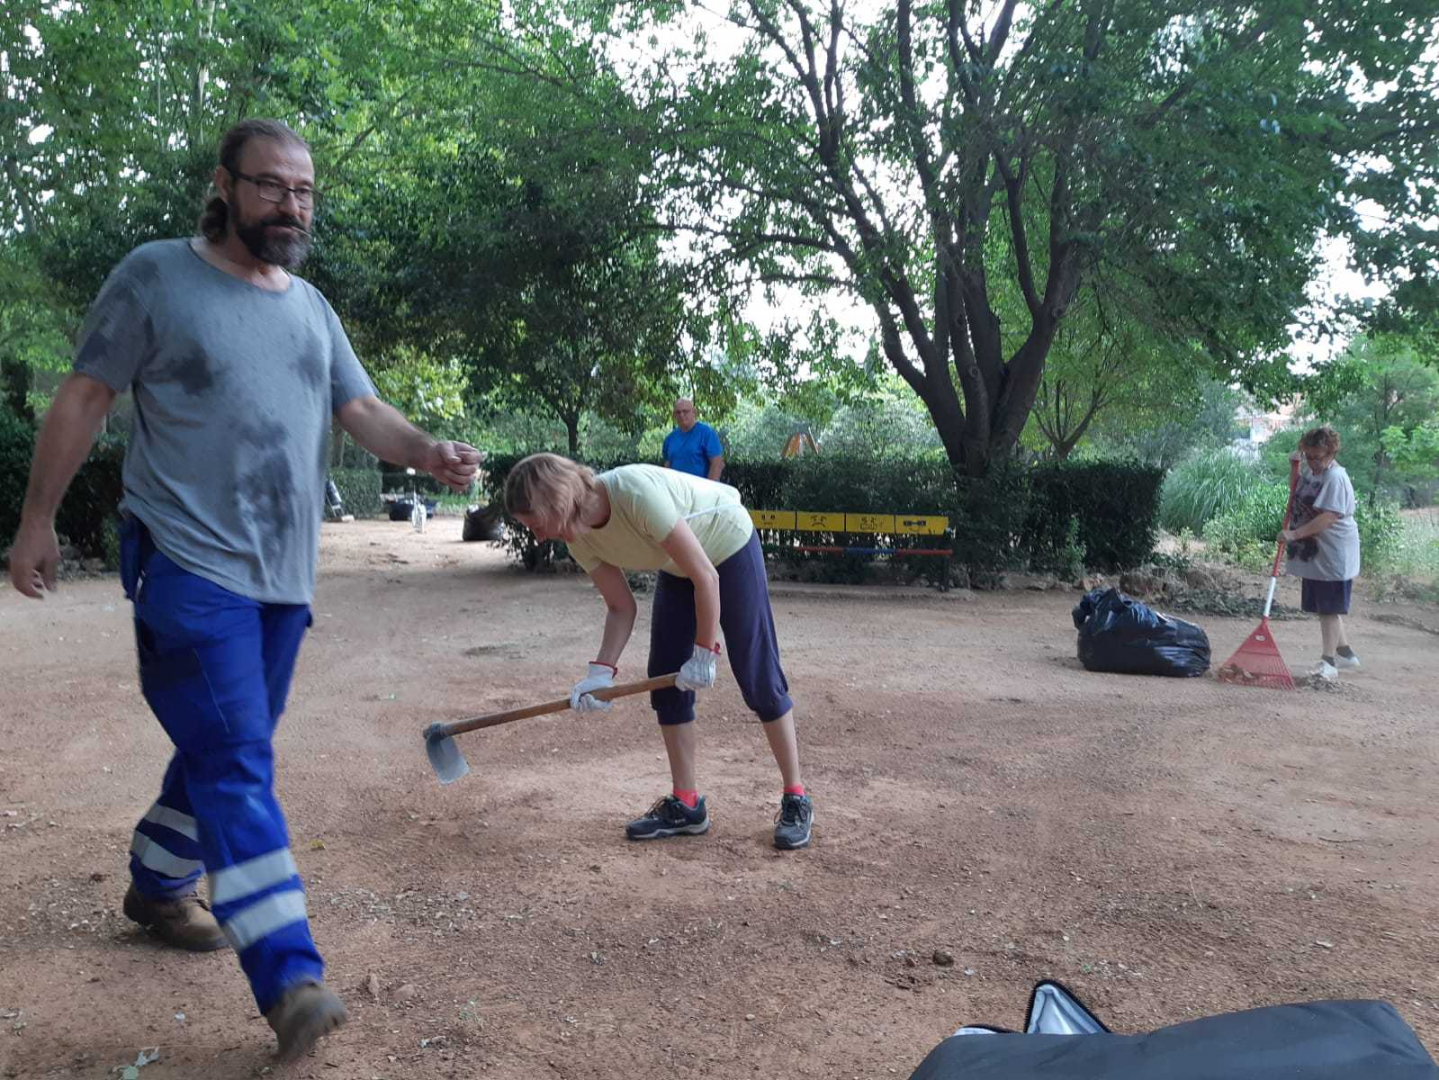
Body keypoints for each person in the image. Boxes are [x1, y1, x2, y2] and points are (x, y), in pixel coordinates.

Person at [5, 118, 482, 1062]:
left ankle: (156, 883)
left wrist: (425, 451)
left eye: (302, 192)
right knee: (235, 756)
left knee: (227, 742)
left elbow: (359, 406)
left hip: (282, 577)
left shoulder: (310, 307)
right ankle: (289, 976)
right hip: (185, 563)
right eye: (270, 186)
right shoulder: (155, 276)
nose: (290, 206)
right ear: (225, 186)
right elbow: (87, 394)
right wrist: (36, 519)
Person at [504, 453, 813, 849]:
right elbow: (621, 607)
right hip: (680, 566)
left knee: (758, 675)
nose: (537, 537)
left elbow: (707, 576)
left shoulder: (633, 493)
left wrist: (705, 652)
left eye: (536, 524)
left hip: (726, 543)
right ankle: (687, 804)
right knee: (665, 677)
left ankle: (796, 796)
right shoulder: (577, 537)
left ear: (556, 502)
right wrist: (601, 672)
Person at [1278, 426, 1361, 681]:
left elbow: (1329, 516)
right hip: (1317, 550)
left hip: (1334, 550)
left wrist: (1295, 534)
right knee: (1325, 605)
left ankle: (1328, 662)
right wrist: (1294, 467)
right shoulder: (1312, 471)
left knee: (1329, 608)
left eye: (1318, 457)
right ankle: (1345, 654)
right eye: (1308, 456)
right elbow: (1297, 491)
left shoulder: (1335, 478)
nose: (1313, 462)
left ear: (1331, 453)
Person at [662, 398, 725, 480]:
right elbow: (667, 466)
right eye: (678, 412)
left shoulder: (706, 433)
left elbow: (717, 464)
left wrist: (708, 486)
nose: (681, 415)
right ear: (674, 415)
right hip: (677, 487)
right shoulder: (669, 439)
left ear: (694, 412)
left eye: (685, 411)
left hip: (700, 487)